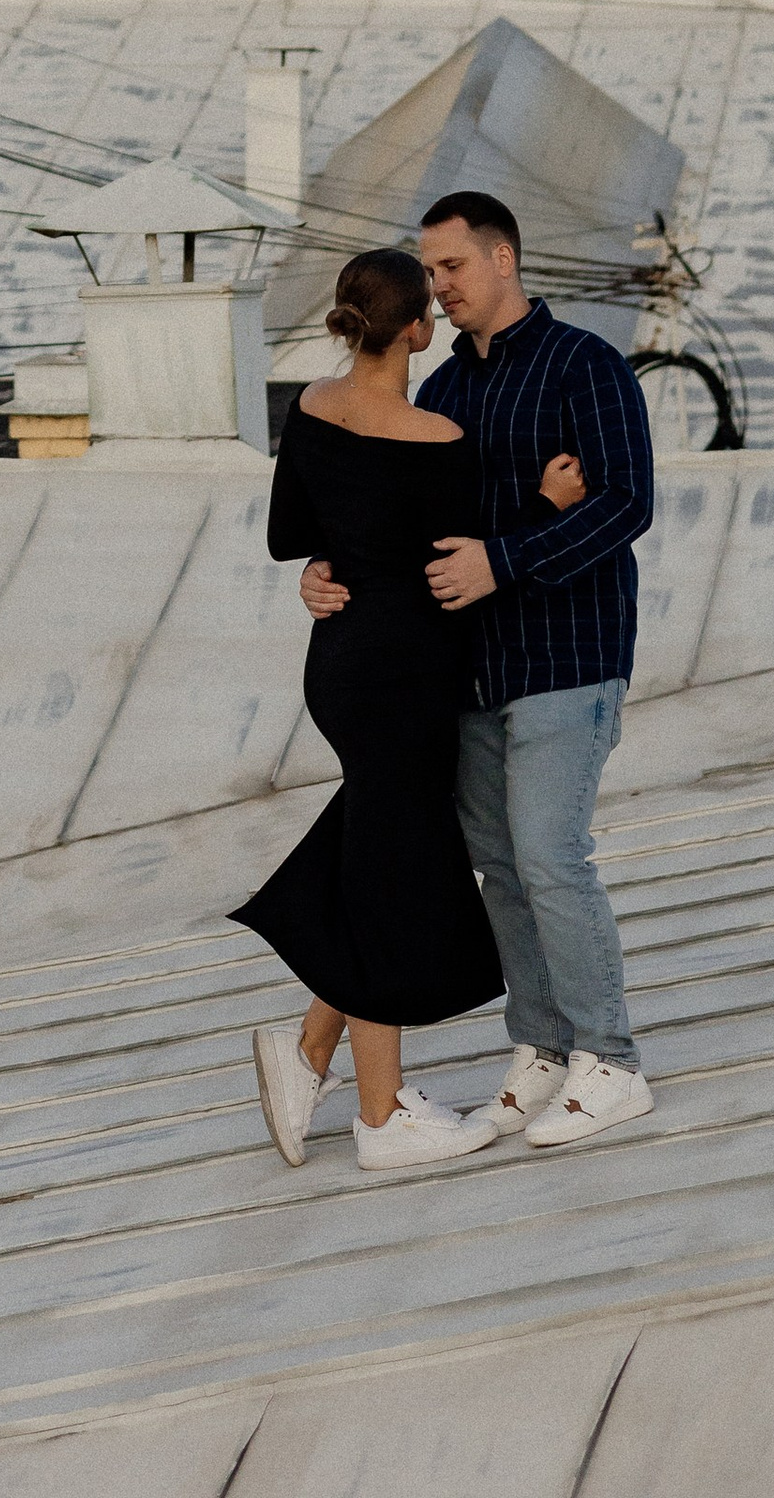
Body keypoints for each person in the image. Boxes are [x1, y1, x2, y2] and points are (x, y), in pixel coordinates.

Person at [298, 188, 658, 1152]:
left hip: (569, 655)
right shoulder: (445, 391)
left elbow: (627, 503)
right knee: (501, 868)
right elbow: (402, 525)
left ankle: (613, 1061)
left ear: (503, 259)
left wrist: (508, 557)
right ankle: (541, 1048)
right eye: (429, 274)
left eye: (451, 267)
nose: (437, 286)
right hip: (466, 668)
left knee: (549, 853)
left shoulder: (588, 366)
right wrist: (326, 573)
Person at [232, 245, 510, 1175]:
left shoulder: (309, 411)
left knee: (374, 846)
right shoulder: (438, 442)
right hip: (410, 678)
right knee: (391, 870)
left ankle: (311, 1049)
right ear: (418, 331)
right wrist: (550, 504)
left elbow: (287, 539)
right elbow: (469, 566)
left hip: (342, 668)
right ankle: (381, 1116)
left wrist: (326, 566)